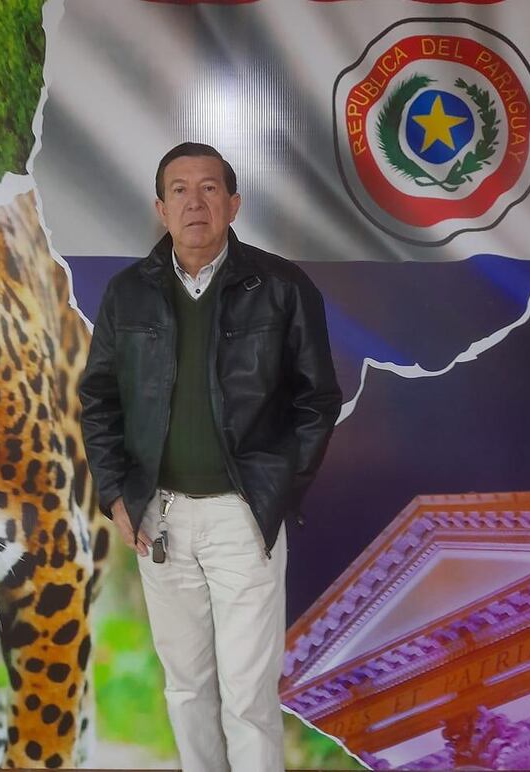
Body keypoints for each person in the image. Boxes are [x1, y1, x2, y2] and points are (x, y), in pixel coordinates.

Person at [79, 142, 342, 772]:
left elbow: (318, 399)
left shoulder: (281, 287)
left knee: (248, 697)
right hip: (158, 519)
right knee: (186, 687)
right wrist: (115, 493)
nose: (194, 202)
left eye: (208, 188)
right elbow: (99, 400)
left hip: (243, 517)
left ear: (233, 203)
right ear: (160, 208)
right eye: (179, 190)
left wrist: (277, 488)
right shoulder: (127, 293)